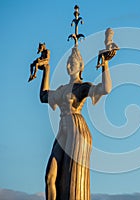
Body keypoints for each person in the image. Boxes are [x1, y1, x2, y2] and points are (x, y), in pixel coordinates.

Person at [39, 46, 112, 200]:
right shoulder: (62, 89)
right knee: (50, 176)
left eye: (72, 63)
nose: (69, 66)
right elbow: (44, 96)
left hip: (77, 129)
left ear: (80, 66)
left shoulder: (82, 87)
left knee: (73, 175)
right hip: (63, 130)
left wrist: (105, 64)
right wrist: (46, 68)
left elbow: (106, 89)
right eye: (68, 63)